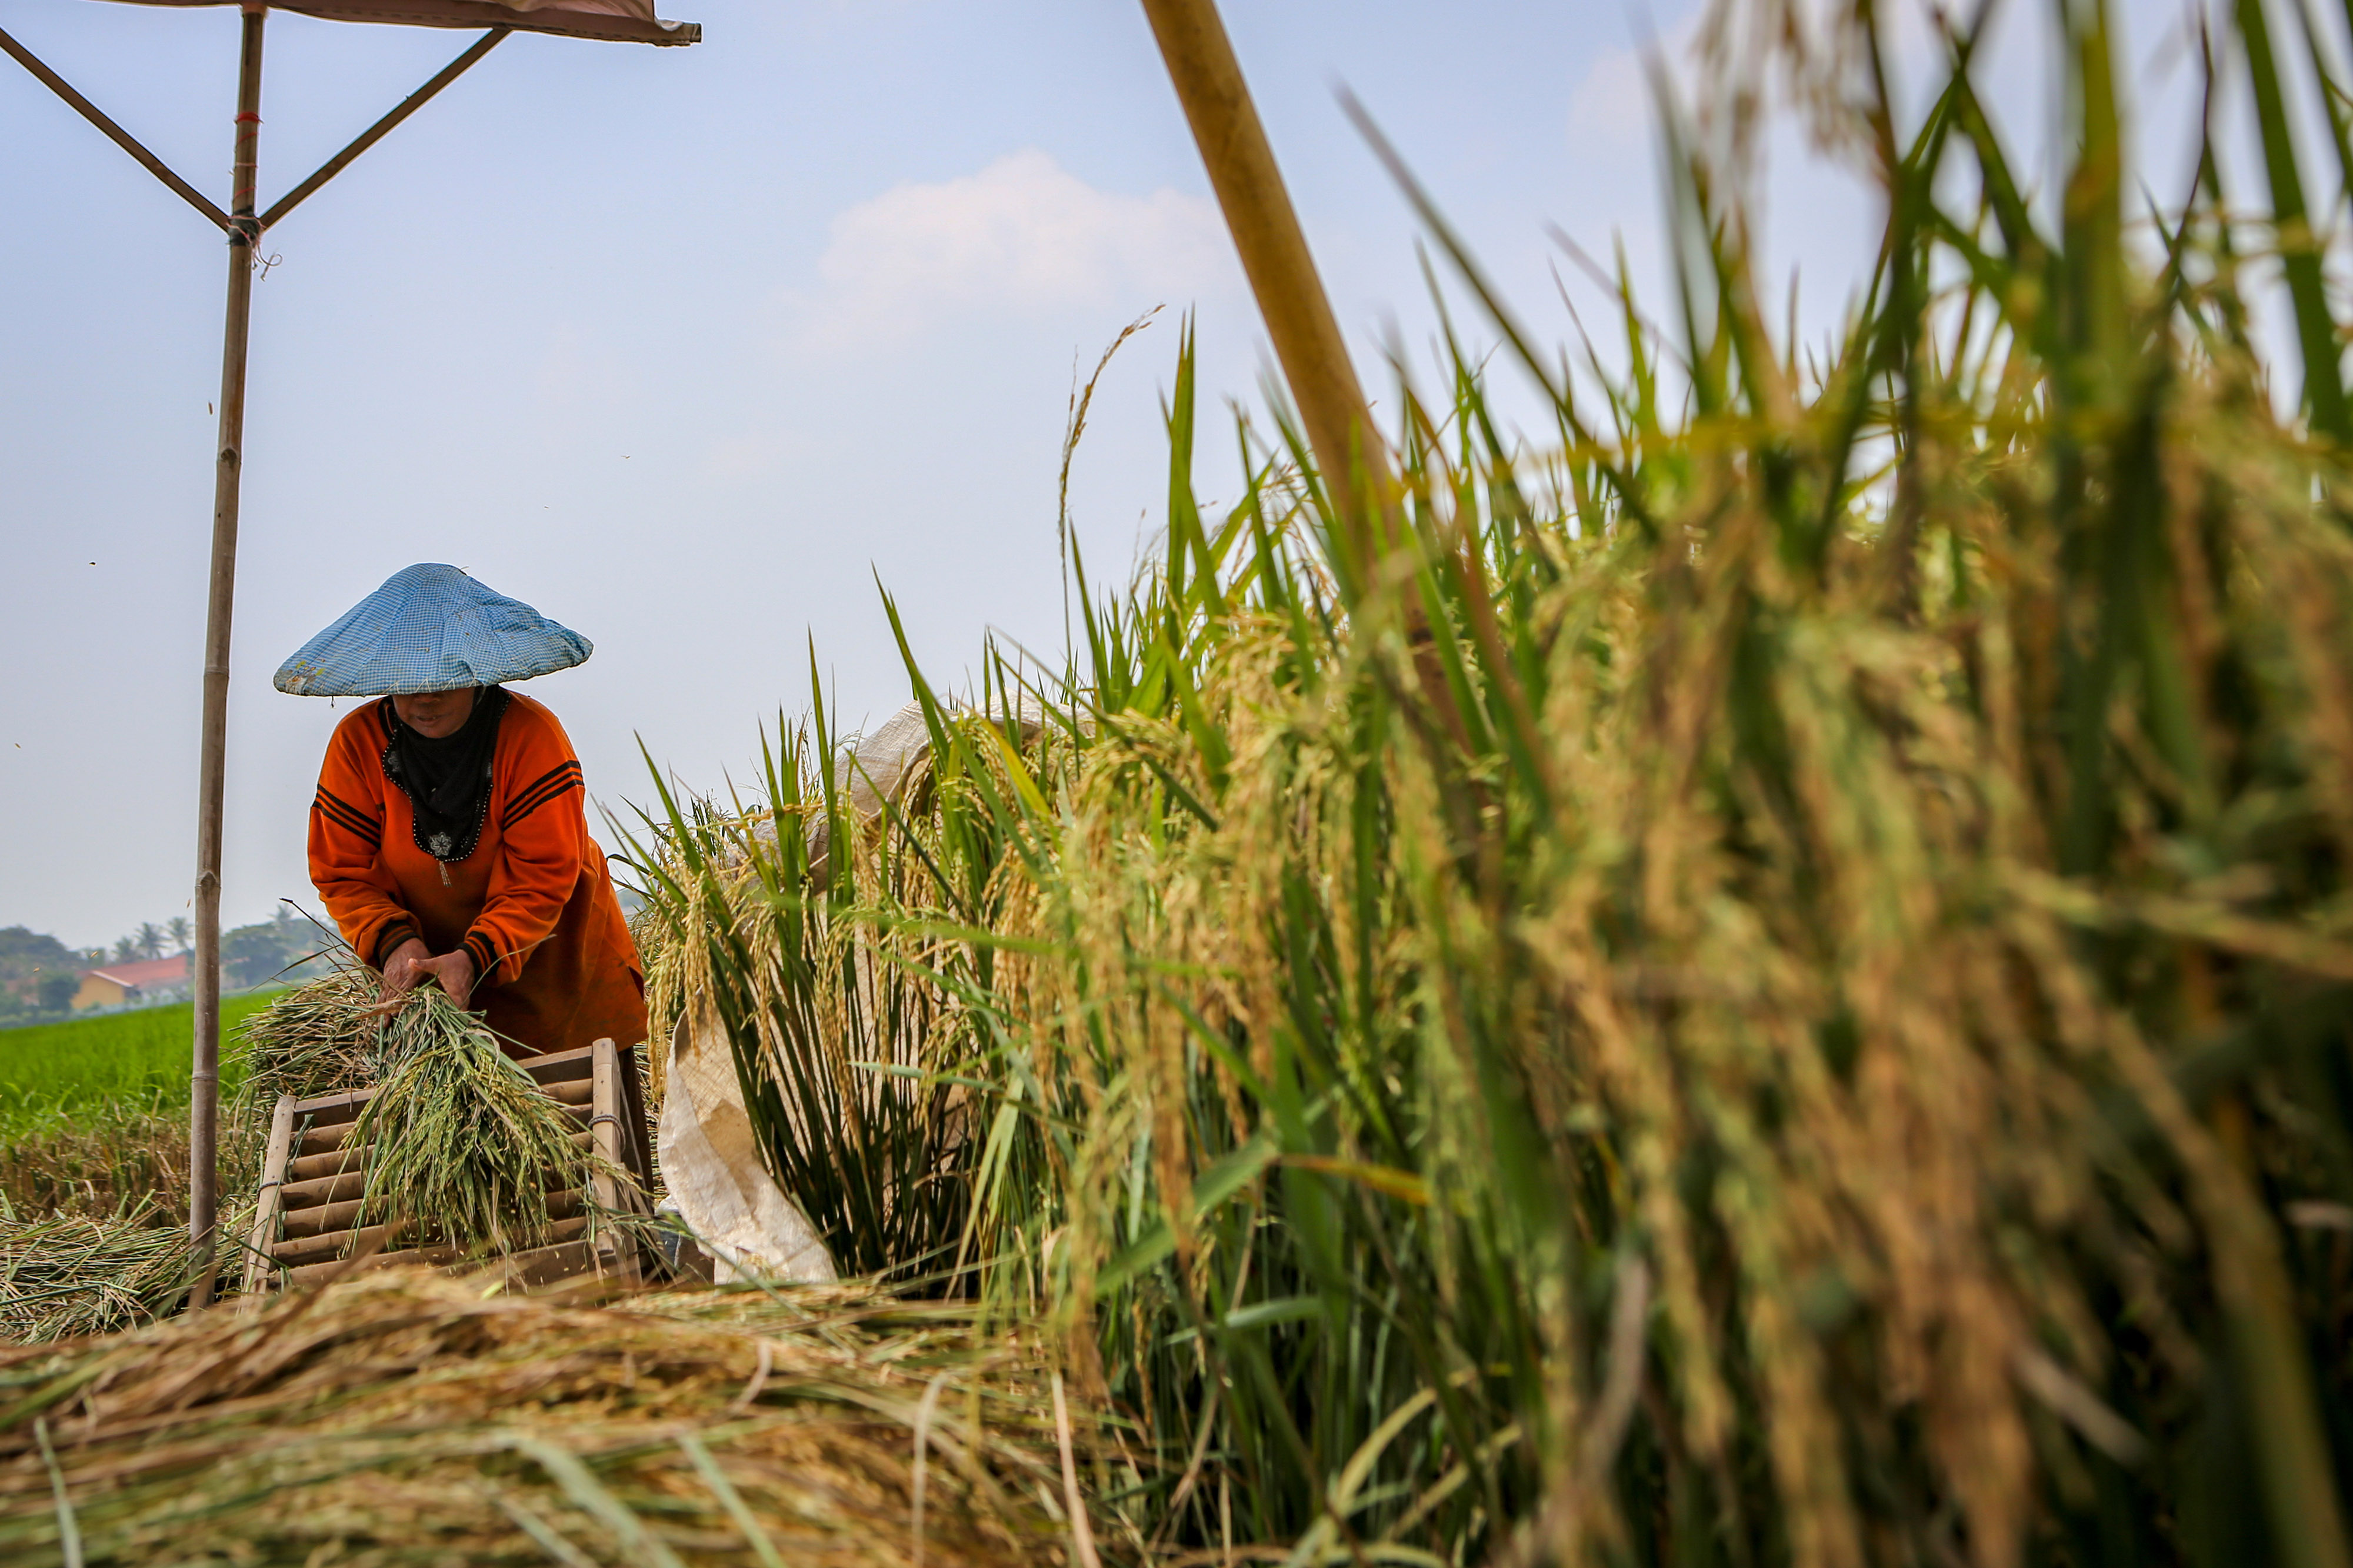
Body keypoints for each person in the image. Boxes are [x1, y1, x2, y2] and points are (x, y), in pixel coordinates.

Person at [278, 563, 645, 1058]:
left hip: (558, 957)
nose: (426, 697)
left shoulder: (532, 737)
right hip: (432, 975)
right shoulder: (357, 745)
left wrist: (475, 956)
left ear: (477, 674)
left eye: (444, 680)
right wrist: (398, 946)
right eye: (409, 682)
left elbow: (542, 875)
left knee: (589, 1092)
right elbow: (343, 871)